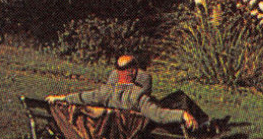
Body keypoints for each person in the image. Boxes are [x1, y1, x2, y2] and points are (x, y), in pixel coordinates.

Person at [47, 54, 200, 130]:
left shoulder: (105, 92)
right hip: (143, 126)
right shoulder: (137, 95)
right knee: (181, 98)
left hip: (121, 126)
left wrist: (62, 98)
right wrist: (182, 115)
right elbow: (157, 115)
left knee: (179, 98)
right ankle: (203, 128)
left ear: (117, 72)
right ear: (133, 71)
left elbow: (84, 97)